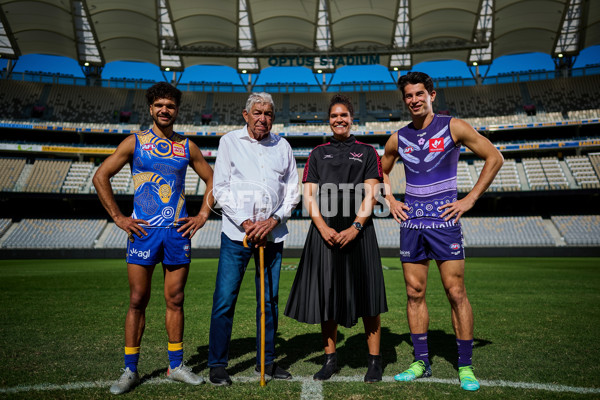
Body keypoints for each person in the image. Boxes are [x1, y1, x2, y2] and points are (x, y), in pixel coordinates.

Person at [381, 72, 503, 391]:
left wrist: (469, 199)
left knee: (456, 292)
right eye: (408, 96)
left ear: (432, 95)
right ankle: (421, 361)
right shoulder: (398, 137)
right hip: (412, 224)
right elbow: (379, 170)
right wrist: (391, 198)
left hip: (445, 222)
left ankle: (465, 365)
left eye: (420, 94)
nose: (414, 100)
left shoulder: (454, 126)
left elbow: (495, 157)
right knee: (414, 293)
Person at [93, 82, 214, 395]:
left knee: (175, 300)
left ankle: (175, 366)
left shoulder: (187, 147)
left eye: (170, 106)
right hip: (143, 231)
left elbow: (214, 179)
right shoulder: (135, 143)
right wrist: (119, 218)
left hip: (176, 231)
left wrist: (201, 215)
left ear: (176, 110)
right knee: (137, 301)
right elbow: (100, 175)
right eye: (159, 105)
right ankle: (130, 370)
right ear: (150, 108)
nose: (164, 110)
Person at [284, 94, 388, 383]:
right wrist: (322, 227)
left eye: (344, 115)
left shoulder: (368, 152)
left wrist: (355, 226)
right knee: (326, 295)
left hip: (360, 231)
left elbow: (372, 194)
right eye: (334, 116)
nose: (339, 120)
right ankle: (330, 360)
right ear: (328, 120)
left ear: (352, 118)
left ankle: (374, 362)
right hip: (324, 231)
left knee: (369, 295)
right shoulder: (317, 154)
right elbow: (309, 196)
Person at [208, 92, 300, 386]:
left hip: (272, 237)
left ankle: (268, 362)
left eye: (269, 114)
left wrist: (273, 220)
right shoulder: (229, 142)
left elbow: (292, 191)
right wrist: (247, 222)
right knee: (225, 301)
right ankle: (218, 365)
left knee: (269, 302)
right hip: (238, 236)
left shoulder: (282, 145)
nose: (263, 118)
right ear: (245, 115)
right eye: (257, 113)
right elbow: (220, 189)